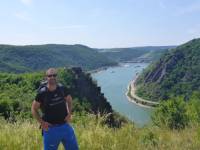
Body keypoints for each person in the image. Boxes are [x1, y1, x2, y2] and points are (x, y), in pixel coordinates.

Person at [31, 68, 79, 150]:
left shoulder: (62, 88)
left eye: (54, 75)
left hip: (65, 126)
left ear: (57, 77)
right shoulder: (42, 93)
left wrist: (69, 114)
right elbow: (34, 108)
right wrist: (42, 122)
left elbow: (69, 100)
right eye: (50, 76)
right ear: (46, 78)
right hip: (50, 130)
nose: (52, 77)